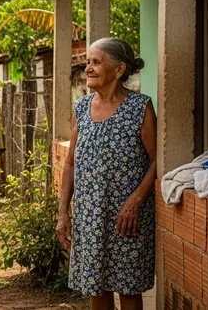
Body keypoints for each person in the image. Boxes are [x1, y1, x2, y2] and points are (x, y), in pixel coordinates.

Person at [56, 38, 156, 310]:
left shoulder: (140, 107)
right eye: (88, 61)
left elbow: (157, 159)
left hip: (128, 218)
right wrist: (63, 212)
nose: (88, 68)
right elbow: (70, 163)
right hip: (90, 217)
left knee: (129, 289)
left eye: (96, 62)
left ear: (119, 69)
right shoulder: (81, 108)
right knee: (96, 289)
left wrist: (136, 201)